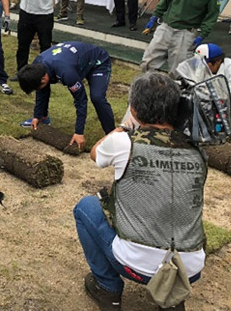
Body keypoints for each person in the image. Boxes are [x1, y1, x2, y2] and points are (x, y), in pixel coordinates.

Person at [74, 72, 206, 311]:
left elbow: (96, 153)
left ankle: (108, 289)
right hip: (192, 268)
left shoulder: (125, 142)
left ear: (133, 109)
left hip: (135, 266)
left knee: (86, 207)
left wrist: (124, 127)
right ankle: (172, 297)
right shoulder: (198, 150)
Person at [17, 41, 116, 150]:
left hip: (97, 62)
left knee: (97, 97)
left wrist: (79, 132)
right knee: (42, 89)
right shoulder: (37, 65)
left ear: (44, 79)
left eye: (36, 87)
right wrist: (37, 115)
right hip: (76, 61)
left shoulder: (66, 72)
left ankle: (113, 135)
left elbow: (81, 100)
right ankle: (43, 118)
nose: (37, 90)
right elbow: (41, 90)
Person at [140, 0, 221, 74]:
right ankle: (149, 88)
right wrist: (154, 17)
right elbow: (165, 1)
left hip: (187, 32)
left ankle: (176, 91)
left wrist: (201, 35)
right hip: (166, 27)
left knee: (179, 70)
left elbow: (211, 17)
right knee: (148, 62)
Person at [183, 43, 231, 128]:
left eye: (204, 63)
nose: (201, 66)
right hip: (221, 98)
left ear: (218, 61)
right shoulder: (203, 68)